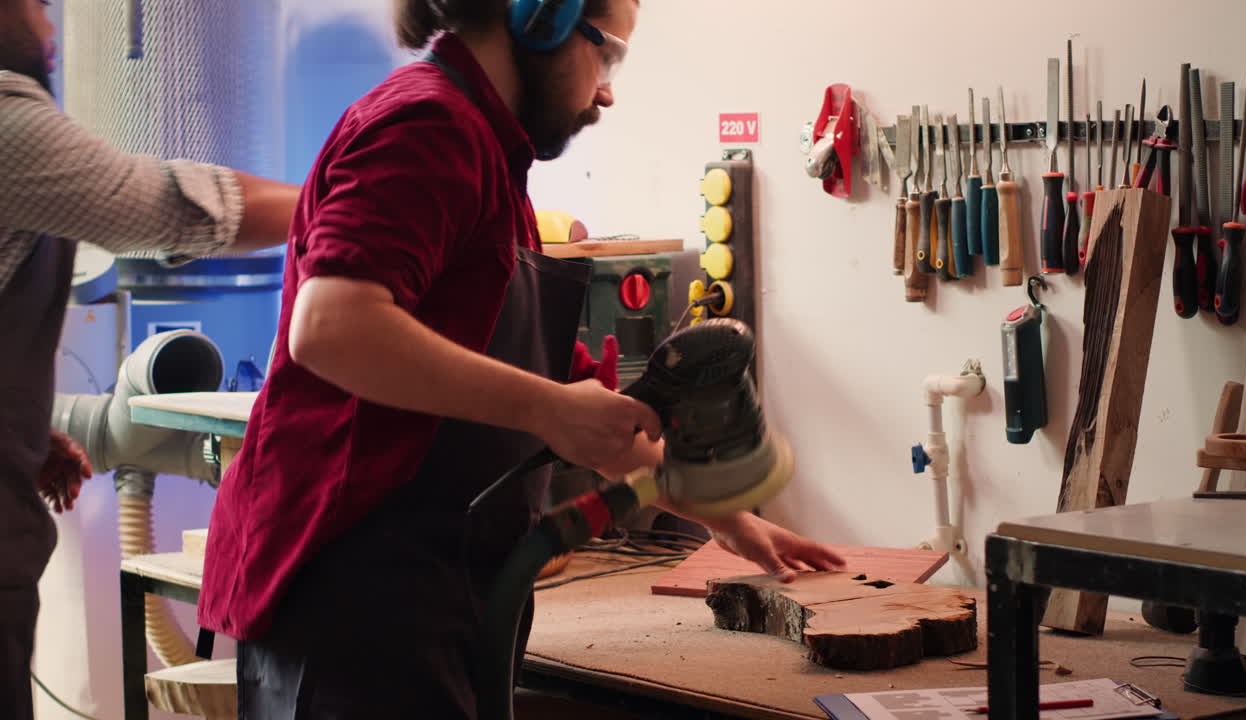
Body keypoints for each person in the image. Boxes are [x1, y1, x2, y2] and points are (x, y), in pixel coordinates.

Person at [197, 0, 844, 716]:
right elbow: (330, 328)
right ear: (542, 18)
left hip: (430, 580)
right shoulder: (426, 126)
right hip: (356, 586)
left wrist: (719, 512)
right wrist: (552, 410)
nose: (606, 90)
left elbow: (544, 375)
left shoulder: (488, 152)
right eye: (608, 54)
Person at [0, 1, 300, 717]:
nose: (51, 28)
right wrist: (357, 198)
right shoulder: (8, 123)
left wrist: (20, 430)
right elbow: (171, 206)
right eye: (35, 5)